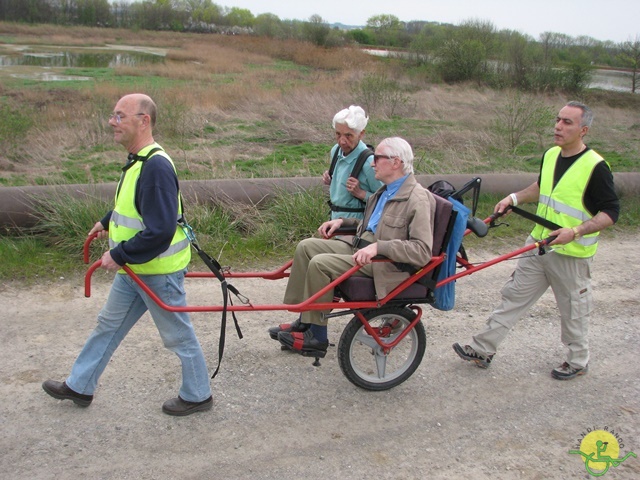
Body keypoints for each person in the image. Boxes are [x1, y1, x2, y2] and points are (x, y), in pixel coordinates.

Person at [42, 93, 213, 416]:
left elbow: (160, 231)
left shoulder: (155, 166)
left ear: (143, 120)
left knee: (177, 335)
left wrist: (118, 254)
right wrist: (106, 221)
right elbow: (134, 205)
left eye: (120, 116)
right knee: (107, 325)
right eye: (113, 115)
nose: (112, 122)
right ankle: (80, 385)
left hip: (157, 271)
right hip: (136, 269)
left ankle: (198, 394)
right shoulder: (140, 160)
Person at [453, 101, 619, 380]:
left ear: (584, 130)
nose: (558, 126)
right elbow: (542, 188)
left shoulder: (596, 167)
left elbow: (611, 212)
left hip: (571, 254)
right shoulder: (552, 154)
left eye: (567, 122)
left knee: (572, 310)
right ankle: (483, 349)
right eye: (558, 120)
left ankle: (577, 361)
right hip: (540, 244)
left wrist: (575, 231)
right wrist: (514, 198)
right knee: (513, 296)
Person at [269, 137, 436, 356]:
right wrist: (342, 222)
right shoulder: (384, 191)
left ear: (396, 162)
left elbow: (422, 250)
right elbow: (372, 226)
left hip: (384, 264)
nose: (372, 163)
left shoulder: (417, 199)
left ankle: (317, 337)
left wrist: (379, 248)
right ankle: (305, 318)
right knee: (306, 247)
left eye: (377, 158)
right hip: (362, 249)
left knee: (320, 264)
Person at [322, 105, 383, 220]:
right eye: (338, 134)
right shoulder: (336, 151)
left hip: (356, 226)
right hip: (334, 220)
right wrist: (332, 180)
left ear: (361, 134)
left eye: (348, 135)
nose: (342, 141)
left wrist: (362, 193)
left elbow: (385, 199)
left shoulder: (369, 162)